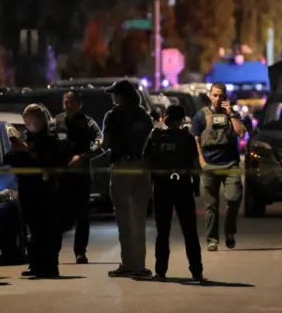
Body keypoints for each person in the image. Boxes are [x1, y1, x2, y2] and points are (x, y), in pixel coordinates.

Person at [4, 104, 81, 278]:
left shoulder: (52, 138)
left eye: (30, 121)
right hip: (28, 189)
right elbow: (9, 158)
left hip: (47, 190)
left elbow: (50, 159)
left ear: (40, 120)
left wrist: (27, 151)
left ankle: (50, 265)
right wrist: (21, 150)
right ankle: (37, 264)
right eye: (26, 121)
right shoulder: (26, 137)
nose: (28, 124)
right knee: (34, 228)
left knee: (50, 229)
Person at [143, 105, 204, 281]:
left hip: (162, 187)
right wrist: (196, 187)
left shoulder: (156, 136)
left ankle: (161, 270)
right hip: (182, 187)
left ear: (166, 116)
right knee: (189, 232)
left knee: (163, 232)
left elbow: (146, 161)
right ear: (182, 119)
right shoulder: (187, 138)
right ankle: (196, 270)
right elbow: (195, 165)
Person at [102, 80, 154, 277]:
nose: (113, 97)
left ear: (121, 96)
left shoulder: (113, 116)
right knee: (139, 218)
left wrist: (90, 157)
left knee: (124, 218)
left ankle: (128, 264)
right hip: (142, 168)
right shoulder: (144, 115)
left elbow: (105, 144)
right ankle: (140, 265)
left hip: (123, 167)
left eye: (114, 94)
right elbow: (151, 143)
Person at [190, 82, 246, 251]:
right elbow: (196, 139)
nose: (217, 98)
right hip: (210, 164)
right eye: (215, 95)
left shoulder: (232, 114)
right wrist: (201, 161)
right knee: (211, 205)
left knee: (234, 198)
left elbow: (241, 132)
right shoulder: (201, 116)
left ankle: (229, 232)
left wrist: (231, 114)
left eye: (221, 95)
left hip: (231, 164)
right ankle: (212, 239)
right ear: (209, 95)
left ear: (225, 97)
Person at [54, 91, 103, 264]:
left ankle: (80, 252)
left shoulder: (88, 123)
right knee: (59, 215)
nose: (67, 105)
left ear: (79, 104)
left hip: (81, 176)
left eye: (71, 102)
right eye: (65, 101)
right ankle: (53, 253)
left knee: (82, 215)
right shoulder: (57, 122)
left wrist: (83, 156)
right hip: (61, 176)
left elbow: (99, 141)